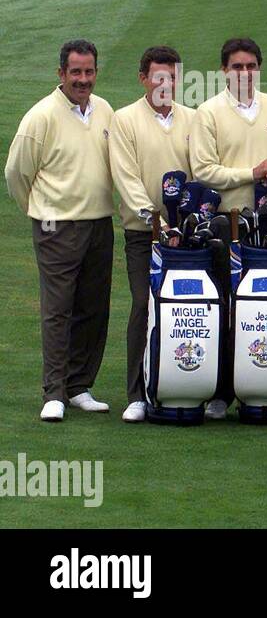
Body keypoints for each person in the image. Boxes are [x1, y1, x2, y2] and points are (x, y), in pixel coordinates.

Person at [5, 39, 116, 423]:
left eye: (88, 72)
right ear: (61, 74)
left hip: (100, 222)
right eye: (75, 72)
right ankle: (53, 392)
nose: (82, 80)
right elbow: (17, 174)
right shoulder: (42, 116)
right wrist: (40, 210)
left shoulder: (103, 110)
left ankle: (79, 386)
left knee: (93, 306)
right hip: (56, 227)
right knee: (58, 308)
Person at [191, 37, 267, 419]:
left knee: (266, 310)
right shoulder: (208, 112)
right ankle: (220, 392)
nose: (244, 73)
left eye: (251, 67)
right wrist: (251, 173)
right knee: (223, 310)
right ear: (224, 71)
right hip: (224, 226)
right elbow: (204, 171)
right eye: (237, 67)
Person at [108, 45, 196, 423]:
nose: (165, 84)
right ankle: (137, 394)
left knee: (192, 308)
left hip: (188, 234)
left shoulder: (193, 118)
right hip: (144, 234)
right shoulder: (124, 120)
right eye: (158, 77)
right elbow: (126, 179)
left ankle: (195, 386)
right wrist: (156, 222)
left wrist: (188, 221)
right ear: (143, 78)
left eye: (172, 77)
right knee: (145, 305)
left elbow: (200, 172)